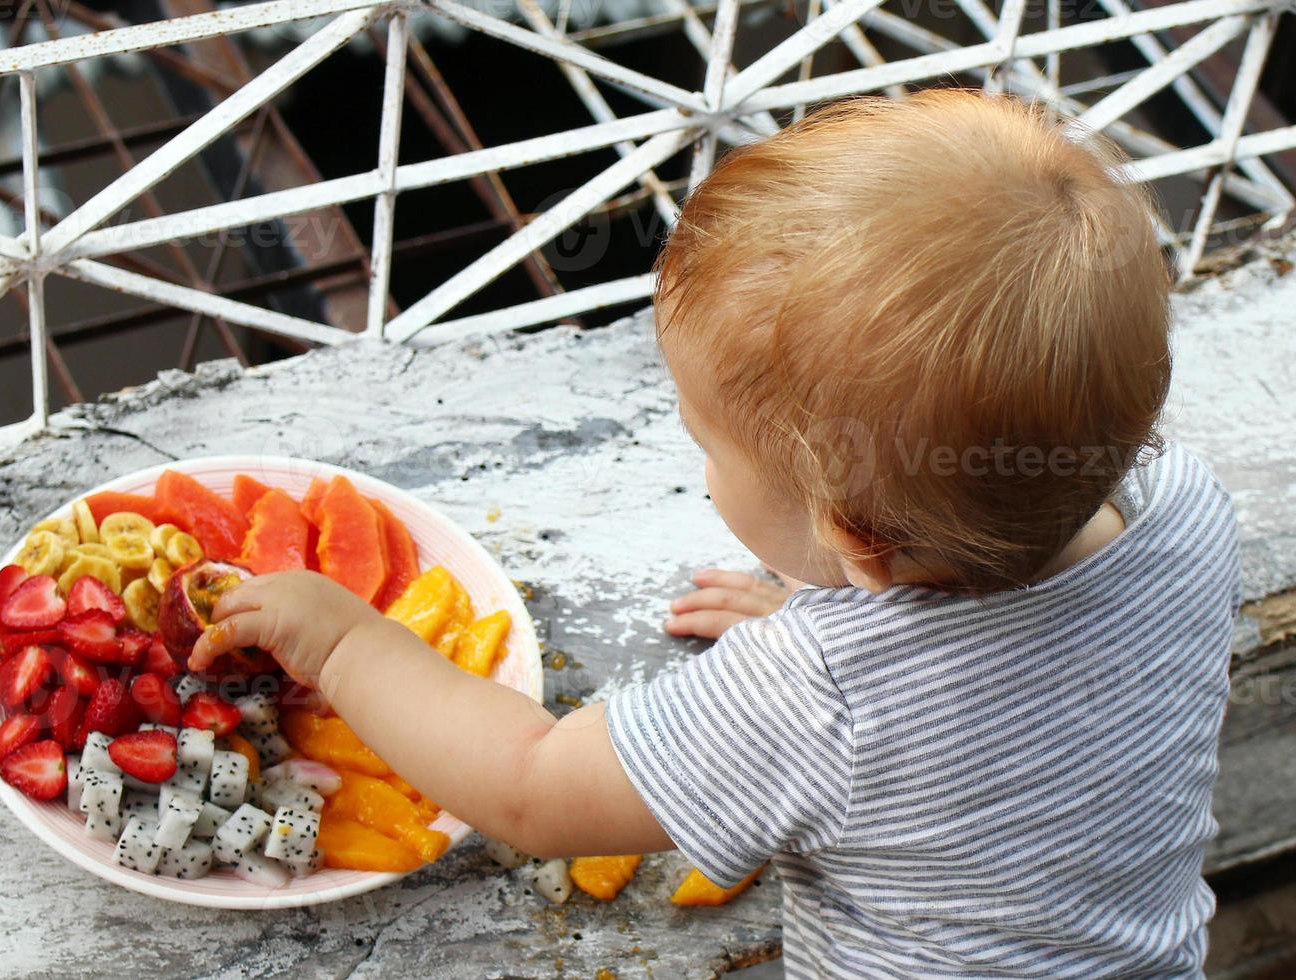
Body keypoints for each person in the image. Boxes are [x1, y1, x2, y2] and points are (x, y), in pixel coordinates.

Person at [190, 91, 1240, 978]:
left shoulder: (820, 695)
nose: (698, 467)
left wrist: (341, 641)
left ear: (857, 542)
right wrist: (829, 596)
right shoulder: (1188, 508)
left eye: (706, 444)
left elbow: (531, 785)